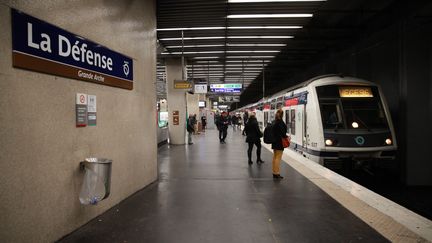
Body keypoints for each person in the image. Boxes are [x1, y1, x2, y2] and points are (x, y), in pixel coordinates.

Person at [271, 109, 288, 179]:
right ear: (282, 115)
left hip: (274, 142)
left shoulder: (274, 122)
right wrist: (287, 137)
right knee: (278, 158)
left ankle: (274, 172)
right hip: (279, 142)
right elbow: (283, 133)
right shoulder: (280, 122)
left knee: (275, 157)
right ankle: (277, 173)